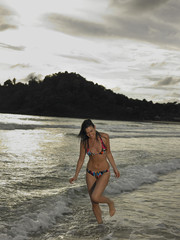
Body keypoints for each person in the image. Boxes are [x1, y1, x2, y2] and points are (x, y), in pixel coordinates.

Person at [69, 119, 120, 224]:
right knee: (94, 203)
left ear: (95, 127)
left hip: (104, 172)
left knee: (95, 197)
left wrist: (115, 168)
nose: (90, 134)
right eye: (87, 133)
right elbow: (81, 159)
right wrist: (76, 175)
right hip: (90, 173)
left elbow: (109, 153)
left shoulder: (104, 137)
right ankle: (100, 226)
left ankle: (110, 203)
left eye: (91, 131)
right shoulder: (84, 142)